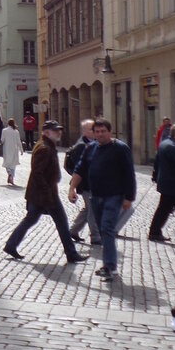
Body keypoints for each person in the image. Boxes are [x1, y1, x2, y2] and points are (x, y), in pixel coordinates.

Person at [3, 120, 86, 264]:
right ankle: (71, 254)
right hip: (45, 194)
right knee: (61, 221)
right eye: (55, 130)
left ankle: (11, 245)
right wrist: (47, 193)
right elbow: (37, 173)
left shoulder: (47, 145)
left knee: (31, 219)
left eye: (59, 130)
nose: (58, 133)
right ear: (47, 132)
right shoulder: (44, 148)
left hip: (41, 193)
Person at [68, 117, 136, 281]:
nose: (100, 134)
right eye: (97, 132)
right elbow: (80, 169)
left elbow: (129, 173)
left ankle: (110, 266)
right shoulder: (90, 148)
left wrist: (129, 197)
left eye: (103, 131)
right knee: (102, 229)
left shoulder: (120, 148)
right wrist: (71, 188)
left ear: (109, 132)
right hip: (95, 196)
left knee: (106, 229)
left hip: (114, 196)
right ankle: (108, 265)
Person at [65, 119, 101, 247]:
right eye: (92, 129)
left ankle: (73, 231)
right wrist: (73, 187)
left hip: (94, 183)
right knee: (93, 209)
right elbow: (79, 168)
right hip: (86, 183)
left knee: (88, 209)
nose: (95, 132)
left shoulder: (94, 143)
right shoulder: (81, 146)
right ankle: (96, 236)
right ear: (85, 132)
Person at [149, 122, 175, 242]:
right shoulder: (173, 147)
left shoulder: (164, 144)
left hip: (167, 184)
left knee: (165, 209)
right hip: (173, 185)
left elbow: (156, 162)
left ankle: (154, 232)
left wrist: (155, 176)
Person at [0, 117, 23, 186]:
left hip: (6, 149)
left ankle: (9, 173)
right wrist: (21, 150)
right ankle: (12, 178)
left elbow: (2, 140)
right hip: (14, 150)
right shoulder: (16, 131)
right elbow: (19, 141)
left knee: (7, 163)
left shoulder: (4, 130)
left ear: (8, 123)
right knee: (13, 165)